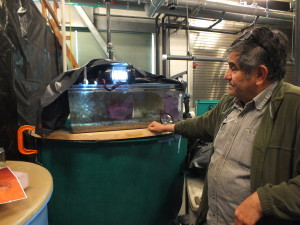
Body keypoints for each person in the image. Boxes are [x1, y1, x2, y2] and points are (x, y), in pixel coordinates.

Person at [148, 27, 300, 225]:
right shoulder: (231, 102)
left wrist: (263, 201)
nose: (226, 75)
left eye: (233, 68)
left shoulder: (294, 107)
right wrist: (169, 128)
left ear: (260, 74)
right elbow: (203, 124)